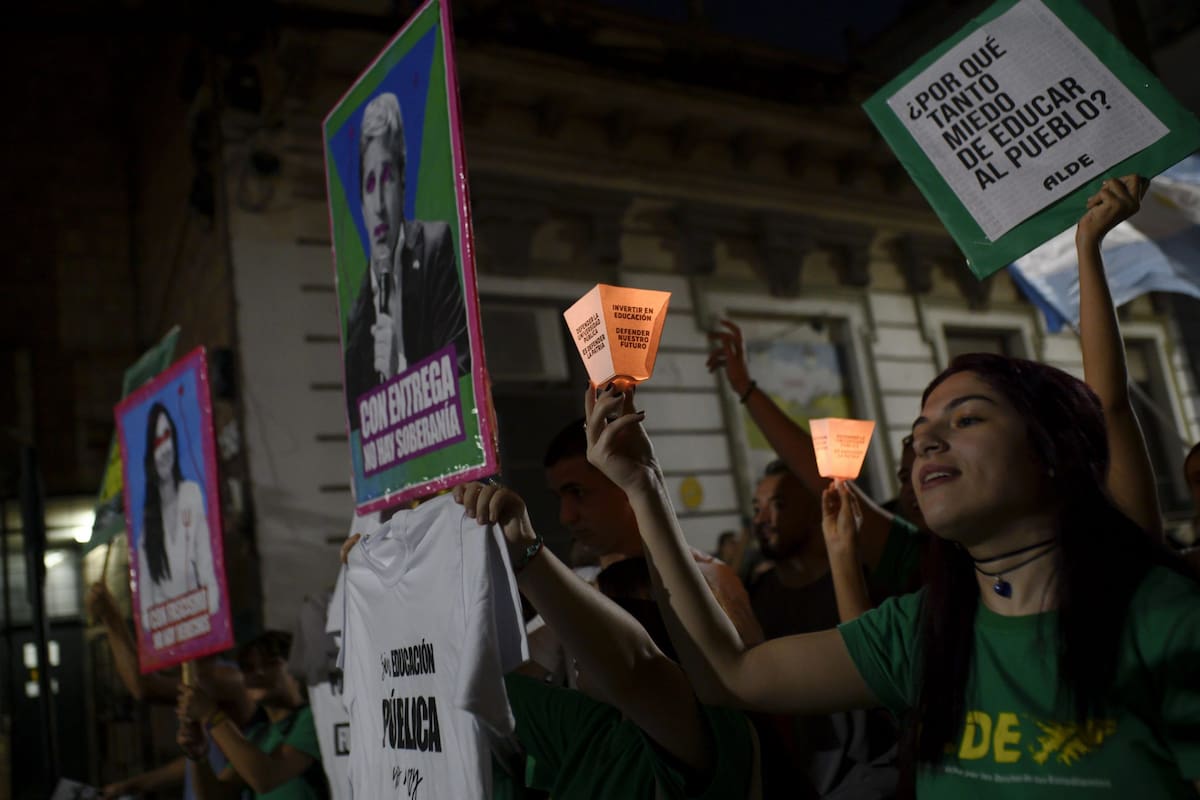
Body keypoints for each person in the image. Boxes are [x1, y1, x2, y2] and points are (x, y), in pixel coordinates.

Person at [584, 344, 1200, 796]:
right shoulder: (920, 631)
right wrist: (644, 488)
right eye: (921, 431)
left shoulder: (1167, 621)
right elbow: (731, 675)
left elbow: (1114, 404)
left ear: (1054, 451)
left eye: (967, 419)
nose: (929, 443)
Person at [452, 481, 760, 799]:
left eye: (597, 622)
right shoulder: (594, 725)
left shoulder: (708, 732)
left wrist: (524, 549)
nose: (574, 639)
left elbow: (638, 671)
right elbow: (475, 684)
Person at [343, 92, 470, 432]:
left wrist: (402, 369)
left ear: (403, 183)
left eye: (387, 178)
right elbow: (358, 425)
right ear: (361, 201)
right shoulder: (358, 314)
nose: (380, 204)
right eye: (370, 185)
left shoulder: (432, 246)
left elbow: (462, 366)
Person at [88, 583, 256, 799]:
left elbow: (144, 688)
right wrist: (133, 784)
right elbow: (199, 760)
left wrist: (111, 618)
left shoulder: (227, 679)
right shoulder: (209, 680)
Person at [179, 631, 329, 799]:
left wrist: (212, 715)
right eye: (248, 668)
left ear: (295, 667)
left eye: (270, 663)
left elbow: (266, 777)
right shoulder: (257, 736)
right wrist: (198, 757)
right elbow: (216, 796)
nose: (258, 673)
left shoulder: (312, 719)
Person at [138, 402, 220, 636]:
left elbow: (209, 579)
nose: (164, 449)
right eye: (156, 442)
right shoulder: (146, 525)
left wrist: (191, 614)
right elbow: (146, 613)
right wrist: (175, 621)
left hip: (202, 633)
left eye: (167, 435)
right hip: (169, 645)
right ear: (149, 456)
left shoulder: (192, 495)